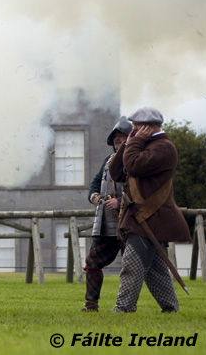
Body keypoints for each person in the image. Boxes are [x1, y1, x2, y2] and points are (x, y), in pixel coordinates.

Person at [108, 107, 191, 313]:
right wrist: (128, 142)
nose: (133, 130)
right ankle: (171, 309)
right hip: (141, 217)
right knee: (156, 270)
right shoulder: (142, 144)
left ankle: (123, 308)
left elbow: (134, 166)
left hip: (151, 216)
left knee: (132, 264)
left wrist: (133, 142)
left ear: (149, 127)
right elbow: (116, 172)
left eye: (137, 126)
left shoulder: (164, 147)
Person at [81, 116, 131, 312]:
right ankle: (91, 304)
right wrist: (93, 196)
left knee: (135, 268)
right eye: (116, 138)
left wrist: (121, 201)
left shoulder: (136, 159)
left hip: (130, 223)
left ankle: (127, 306)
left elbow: (141, 188)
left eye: (122, 136)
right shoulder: (108, 161)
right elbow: (94, 184)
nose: (118, 140)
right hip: (107, 224)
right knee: (92, 262)